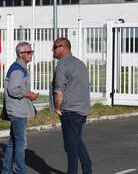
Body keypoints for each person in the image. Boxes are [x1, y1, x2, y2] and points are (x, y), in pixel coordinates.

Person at [52, 37, 92, 174]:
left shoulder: (62, 65)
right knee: (76, 142)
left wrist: (57, 107)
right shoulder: (80, 63)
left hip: (69, 111)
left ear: (63, 47)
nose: (52, 50)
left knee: (71, 147)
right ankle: (87, 169)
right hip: (82, 110)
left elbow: (59, 90)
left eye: (55, 47)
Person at [1, 41, 38, 174]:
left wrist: (28, 94)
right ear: (20, 54)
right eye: (28, 52)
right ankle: (21, 171)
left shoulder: (19, 67)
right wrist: (28, 94)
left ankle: (6, 170)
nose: (31, 54)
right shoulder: (17, 70)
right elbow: (13, 90)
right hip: (18, 111)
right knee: (21, 144)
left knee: (13, 142)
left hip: (16, 109)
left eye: (31, 51)